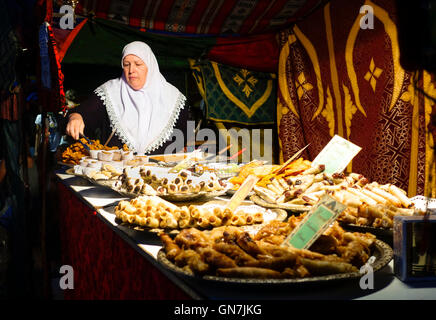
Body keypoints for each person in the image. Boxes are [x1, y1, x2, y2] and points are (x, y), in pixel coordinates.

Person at [66, 41, 189, 155]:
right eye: (126, 64)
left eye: (138, 64)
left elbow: (183, 141)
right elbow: (83, 113)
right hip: (115, 175)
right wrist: (75, 117)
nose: (131, 70)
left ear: (150, 66)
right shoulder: (110, 92)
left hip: (162, 175)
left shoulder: (173, 98)